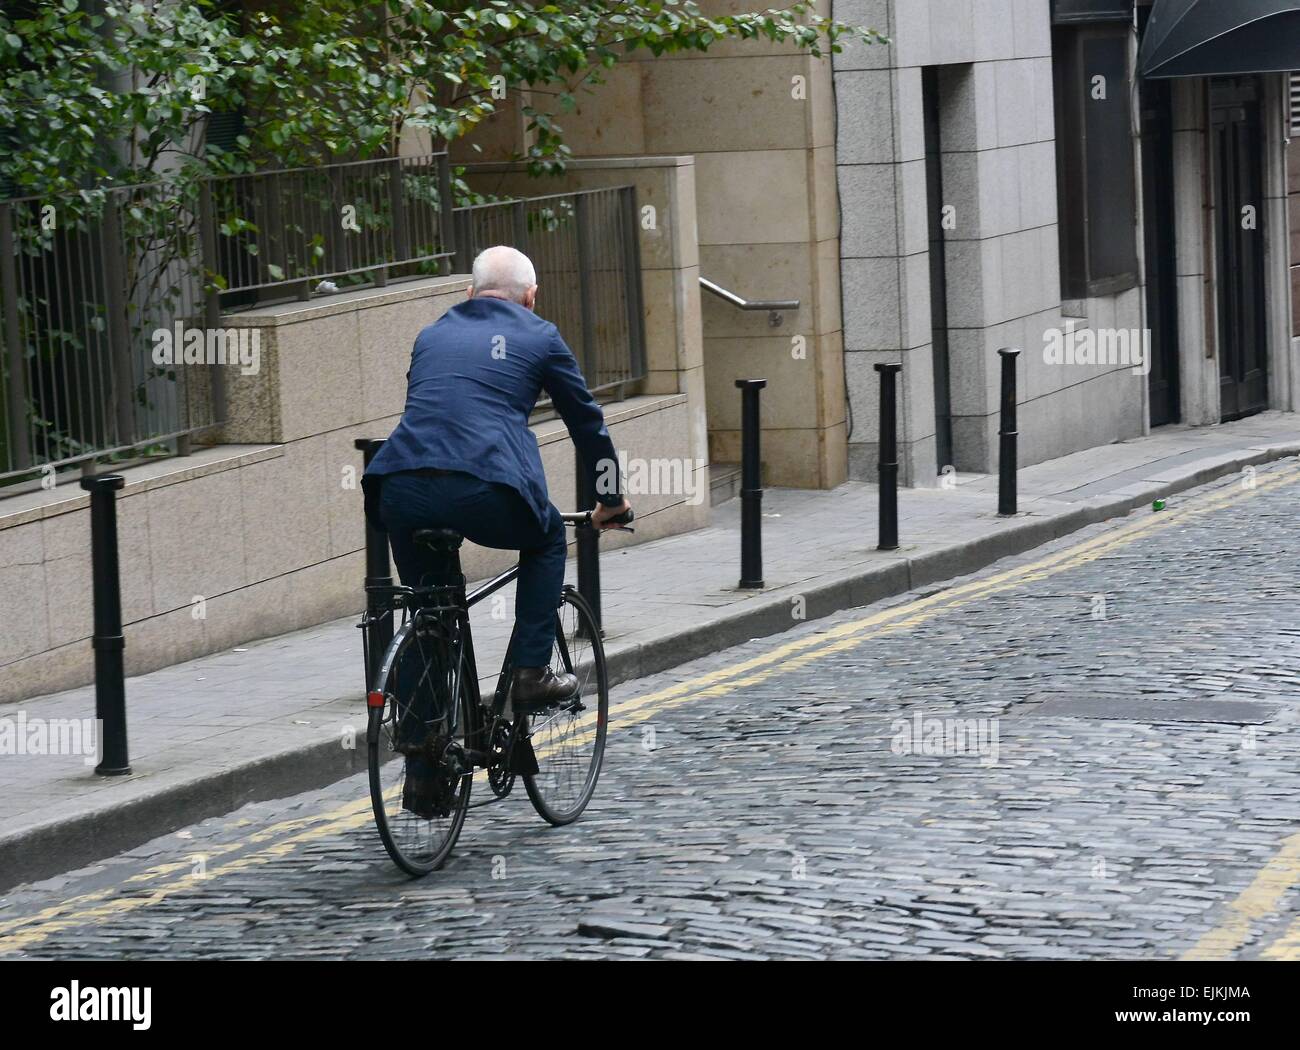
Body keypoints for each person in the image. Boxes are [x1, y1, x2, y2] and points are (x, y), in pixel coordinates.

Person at [362, 245, 632, 711]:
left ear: (469, 293)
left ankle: (423, 766)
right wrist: (610, 500)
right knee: (547, 536)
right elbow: (589, 426)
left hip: (399, 487)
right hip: (484, 488)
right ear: (531, 297)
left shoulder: (432, 334)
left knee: (432, 612)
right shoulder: (541, 336)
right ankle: (531, 673)